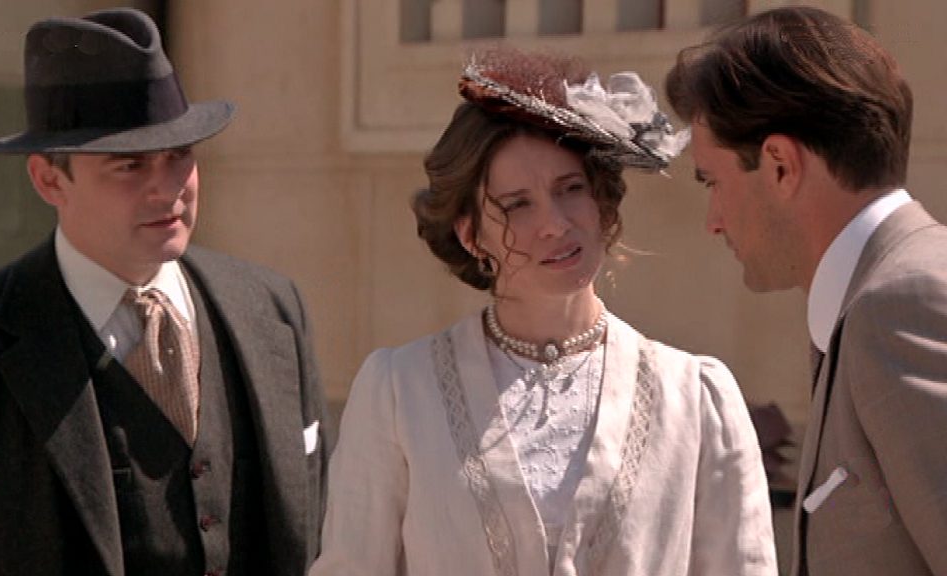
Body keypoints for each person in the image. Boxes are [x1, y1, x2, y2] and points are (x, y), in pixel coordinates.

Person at [309, 48, 776, 576]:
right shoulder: (399, 390)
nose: (554, 223)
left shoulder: (694, 396)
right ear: (470, 234)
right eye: (517, 204)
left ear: (602, 204)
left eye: (570, 190)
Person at [0, 8, 328, 576]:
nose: (167, 189)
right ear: (49, 179)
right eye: (129, 165)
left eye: (179, 156)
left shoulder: (271, 306)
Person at [665, 6, 947, 576]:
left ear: (780, 165)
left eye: (712, 182)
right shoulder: (877, 300)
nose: (713, 221)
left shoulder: (904, 305)